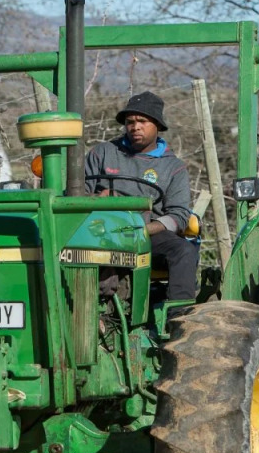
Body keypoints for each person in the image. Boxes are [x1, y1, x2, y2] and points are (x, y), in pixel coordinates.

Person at [84, 91, 199, 301]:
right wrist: (97, 198)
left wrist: (142, 230)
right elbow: (77, 196)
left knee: (184, 251)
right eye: (130, 122)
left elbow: (179, 215)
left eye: (142, 121)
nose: (135, 127)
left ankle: (179, 313)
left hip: (148, 234)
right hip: (100, 230)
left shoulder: (173, 167)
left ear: (158, 125)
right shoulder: (102, 153)